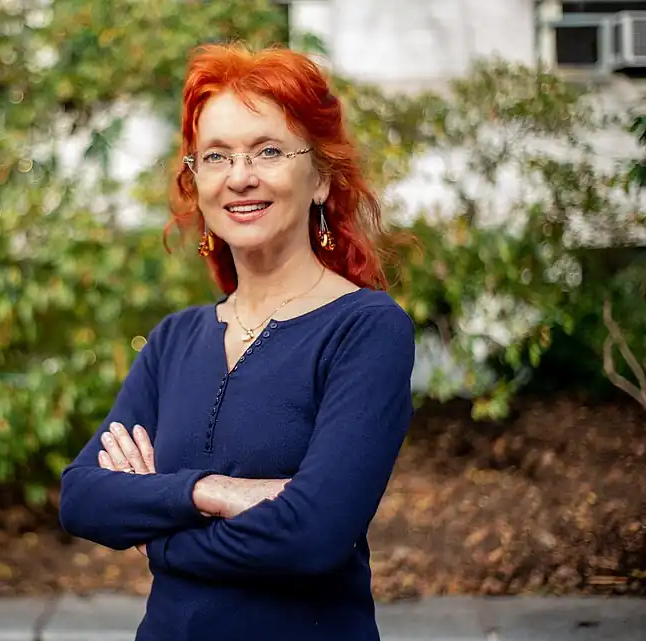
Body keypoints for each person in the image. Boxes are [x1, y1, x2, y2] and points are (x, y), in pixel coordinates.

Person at [58, 43, 416, 641]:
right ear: (197, 180)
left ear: (321, 178)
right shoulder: (174, 340)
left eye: (269, 151)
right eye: (216, 156)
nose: (240, 177)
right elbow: (82, 497)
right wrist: (212, 492)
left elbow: (314, 535)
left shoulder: (366, 329)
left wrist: (157, 531)